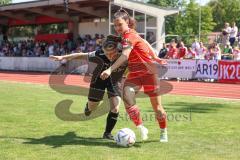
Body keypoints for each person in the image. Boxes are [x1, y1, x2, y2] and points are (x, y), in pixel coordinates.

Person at [100, 9, 168, 142]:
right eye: (115, 25)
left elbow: (125, 55)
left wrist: (109, 70)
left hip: (149, 72)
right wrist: (155, 56)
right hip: (135, 74)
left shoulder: (129, 35)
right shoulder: (127, 35)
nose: (117, 28)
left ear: (127, 22)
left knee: (158, 109)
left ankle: (163, 130)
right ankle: (142, 127)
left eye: (120, 24)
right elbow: (144, 41)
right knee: (127, 98)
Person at [49, 35, 127, 140]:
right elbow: (81, 55)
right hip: (98, 80)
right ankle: (88, 107)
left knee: (115, 107)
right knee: (92, 107)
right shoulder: (99, 54)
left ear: (117, 50)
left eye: (111, 54)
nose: (108, 56)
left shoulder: (124, 55)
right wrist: (63, 57)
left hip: (114, 81)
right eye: (106, 53)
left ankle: (107, 133)